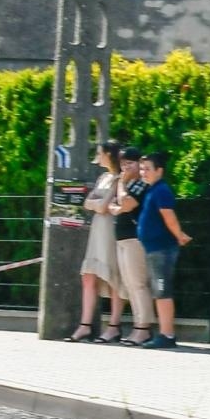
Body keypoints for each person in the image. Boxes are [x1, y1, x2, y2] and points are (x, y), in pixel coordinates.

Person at [66, 140, 126, 342]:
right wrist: (97, 204)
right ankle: (85, 325)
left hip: (110, 230)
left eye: (101, 153)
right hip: (98, 229)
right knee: (89, 276)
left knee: (113, 278)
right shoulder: (103, 177)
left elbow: (101, 206)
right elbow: (88, 203)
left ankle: (114, 326)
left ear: (109, 154)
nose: (98, 156)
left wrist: (97, 204)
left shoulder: (119, 178)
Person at [136, 151, 193, 350]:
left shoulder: (161, 191)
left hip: (161, 249)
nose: (143, 172)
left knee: (162, 291)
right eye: (142, 169)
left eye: (147, 169)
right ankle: (164, 332)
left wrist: (179, 235)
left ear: (159, 170)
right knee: (159, 291)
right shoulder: (152, 190)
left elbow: (168, 216)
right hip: (154, 249)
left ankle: (167, 334)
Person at [108, 146, 156, 346]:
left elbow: (125, 204)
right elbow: (111, 207)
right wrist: (118, 205)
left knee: (138, 283)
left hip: (135, 239)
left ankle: (143, 327)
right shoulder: (130, 184)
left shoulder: (139, 184)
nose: (126, 167)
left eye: (130, 163)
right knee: (129, 284)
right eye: (123, 164)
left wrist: (121, 183)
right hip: (122, 239)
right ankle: (138, 323)